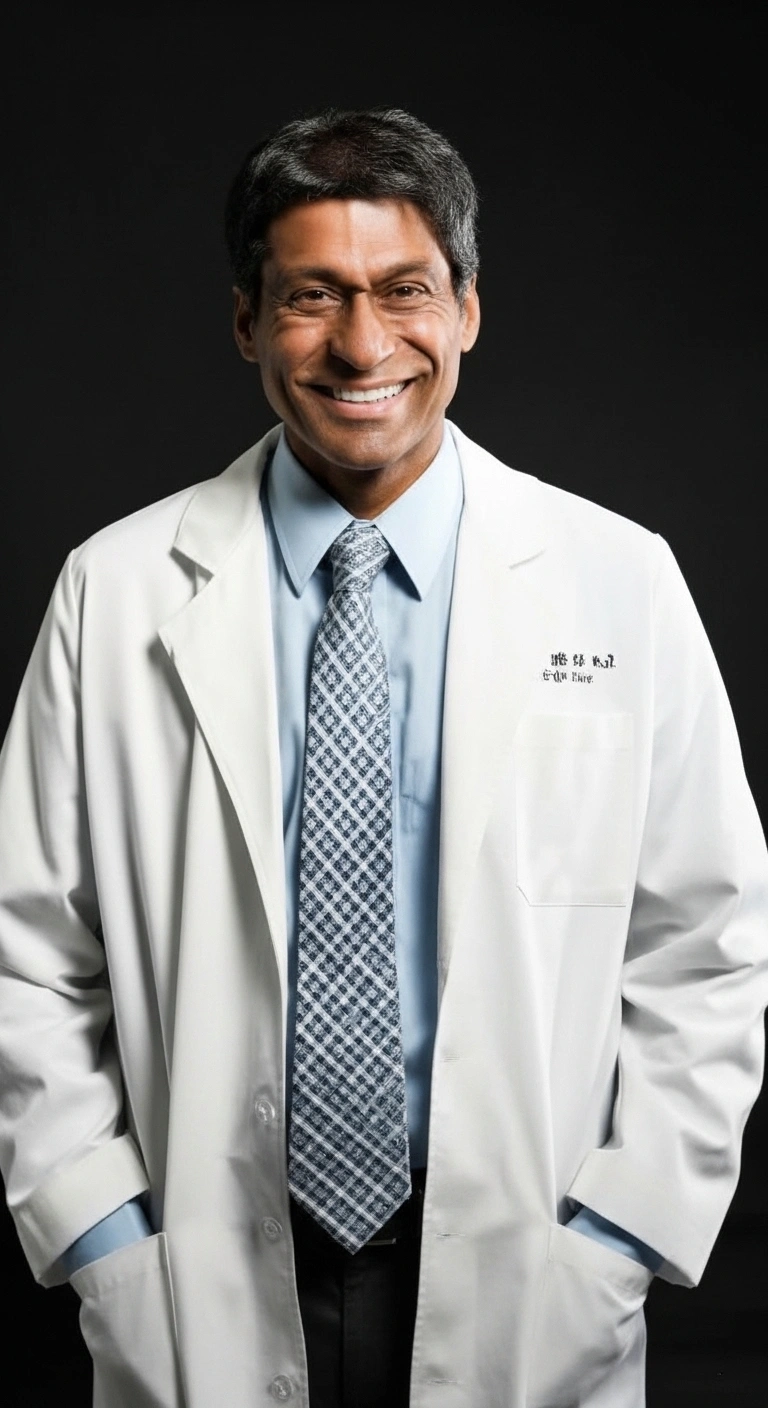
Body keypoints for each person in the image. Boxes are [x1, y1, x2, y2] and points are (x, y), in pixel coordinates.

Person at [0, 107, 766, 1408]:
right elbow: (26, 952)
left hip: (526, 1264)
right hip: (206, 1263)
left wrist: (618, 1240)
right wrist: (102, 1238)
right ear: (246, 322)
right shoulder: (115, 590)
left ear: (467, 309)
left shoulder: (618, 581)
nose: (363, 345)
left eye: (404, 290)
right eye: (313, 296)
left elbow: (710, 944)